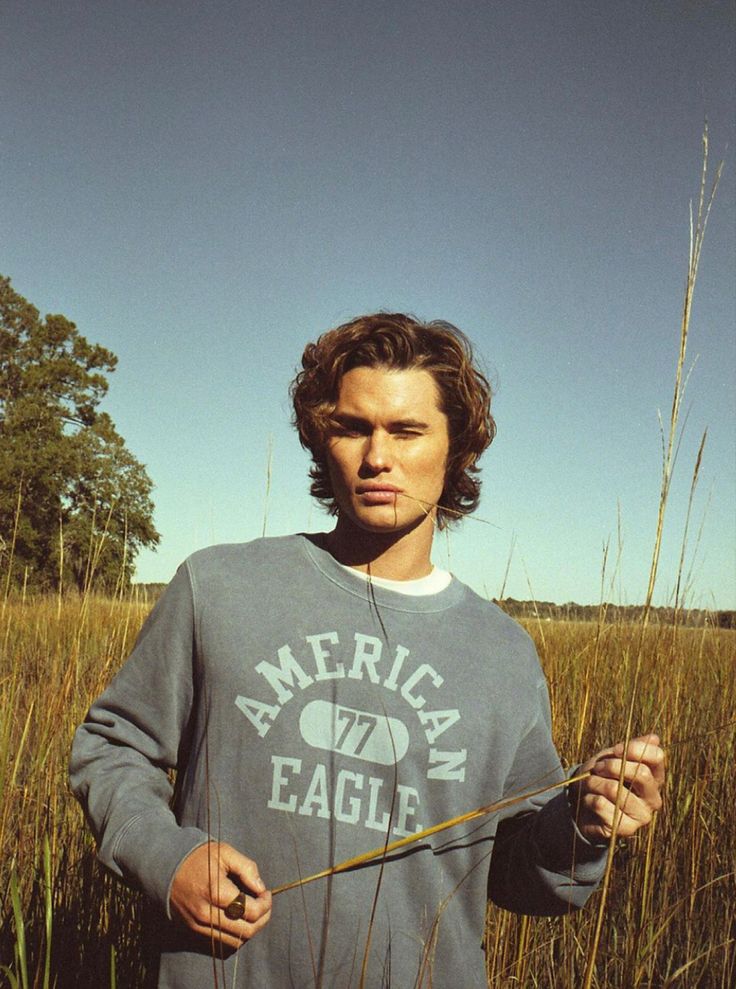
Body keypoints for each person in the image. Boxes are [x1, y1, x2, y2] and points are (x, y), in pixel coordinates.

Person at [70, 313, 665, 988]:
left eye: (407, 430)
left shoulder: (503, 653)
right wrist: (166, 858)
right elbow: (112, 746)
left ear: (457, 449)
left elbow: (520, 877)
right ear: (323, 440)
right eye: (353, 427)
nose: (377, 456)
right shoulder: (220, 587)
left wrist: (583, 819)